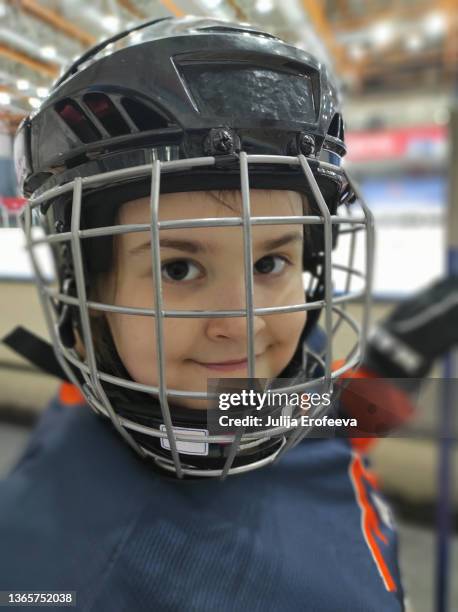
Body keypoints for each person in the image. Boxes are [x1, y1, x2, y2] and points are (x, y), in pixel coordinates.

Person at [5, 15, 449, 611]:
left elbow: (324, 418)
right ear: (86, 288)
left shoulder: (230, 398)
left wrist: (402, 354)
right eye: (178, 269)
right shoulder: (51, 575)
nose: (243, 325)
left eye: (271, 264)